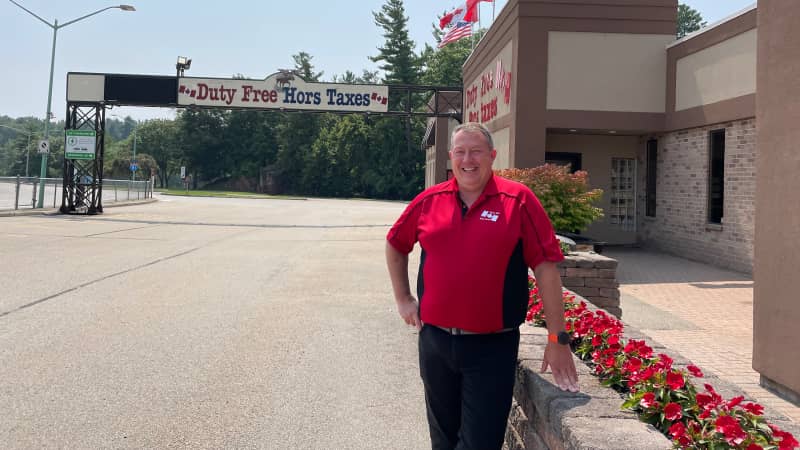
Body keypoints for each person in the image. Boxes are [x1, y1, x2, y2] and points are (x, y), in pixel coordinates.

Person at [385, 122, 579, 450]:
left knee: (480, 443)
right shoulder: (429, 200)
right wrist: (404, 299)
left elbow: (546, 268)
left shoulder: (519, 200)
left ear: (492, 155)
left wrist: (557, 339)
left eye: (476, 151)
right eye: (460, 151)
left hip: (492, 348)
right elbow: (395, 243)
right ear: (450, 157)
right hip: (434, 343)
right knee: (442, 440)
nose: (468, 159)